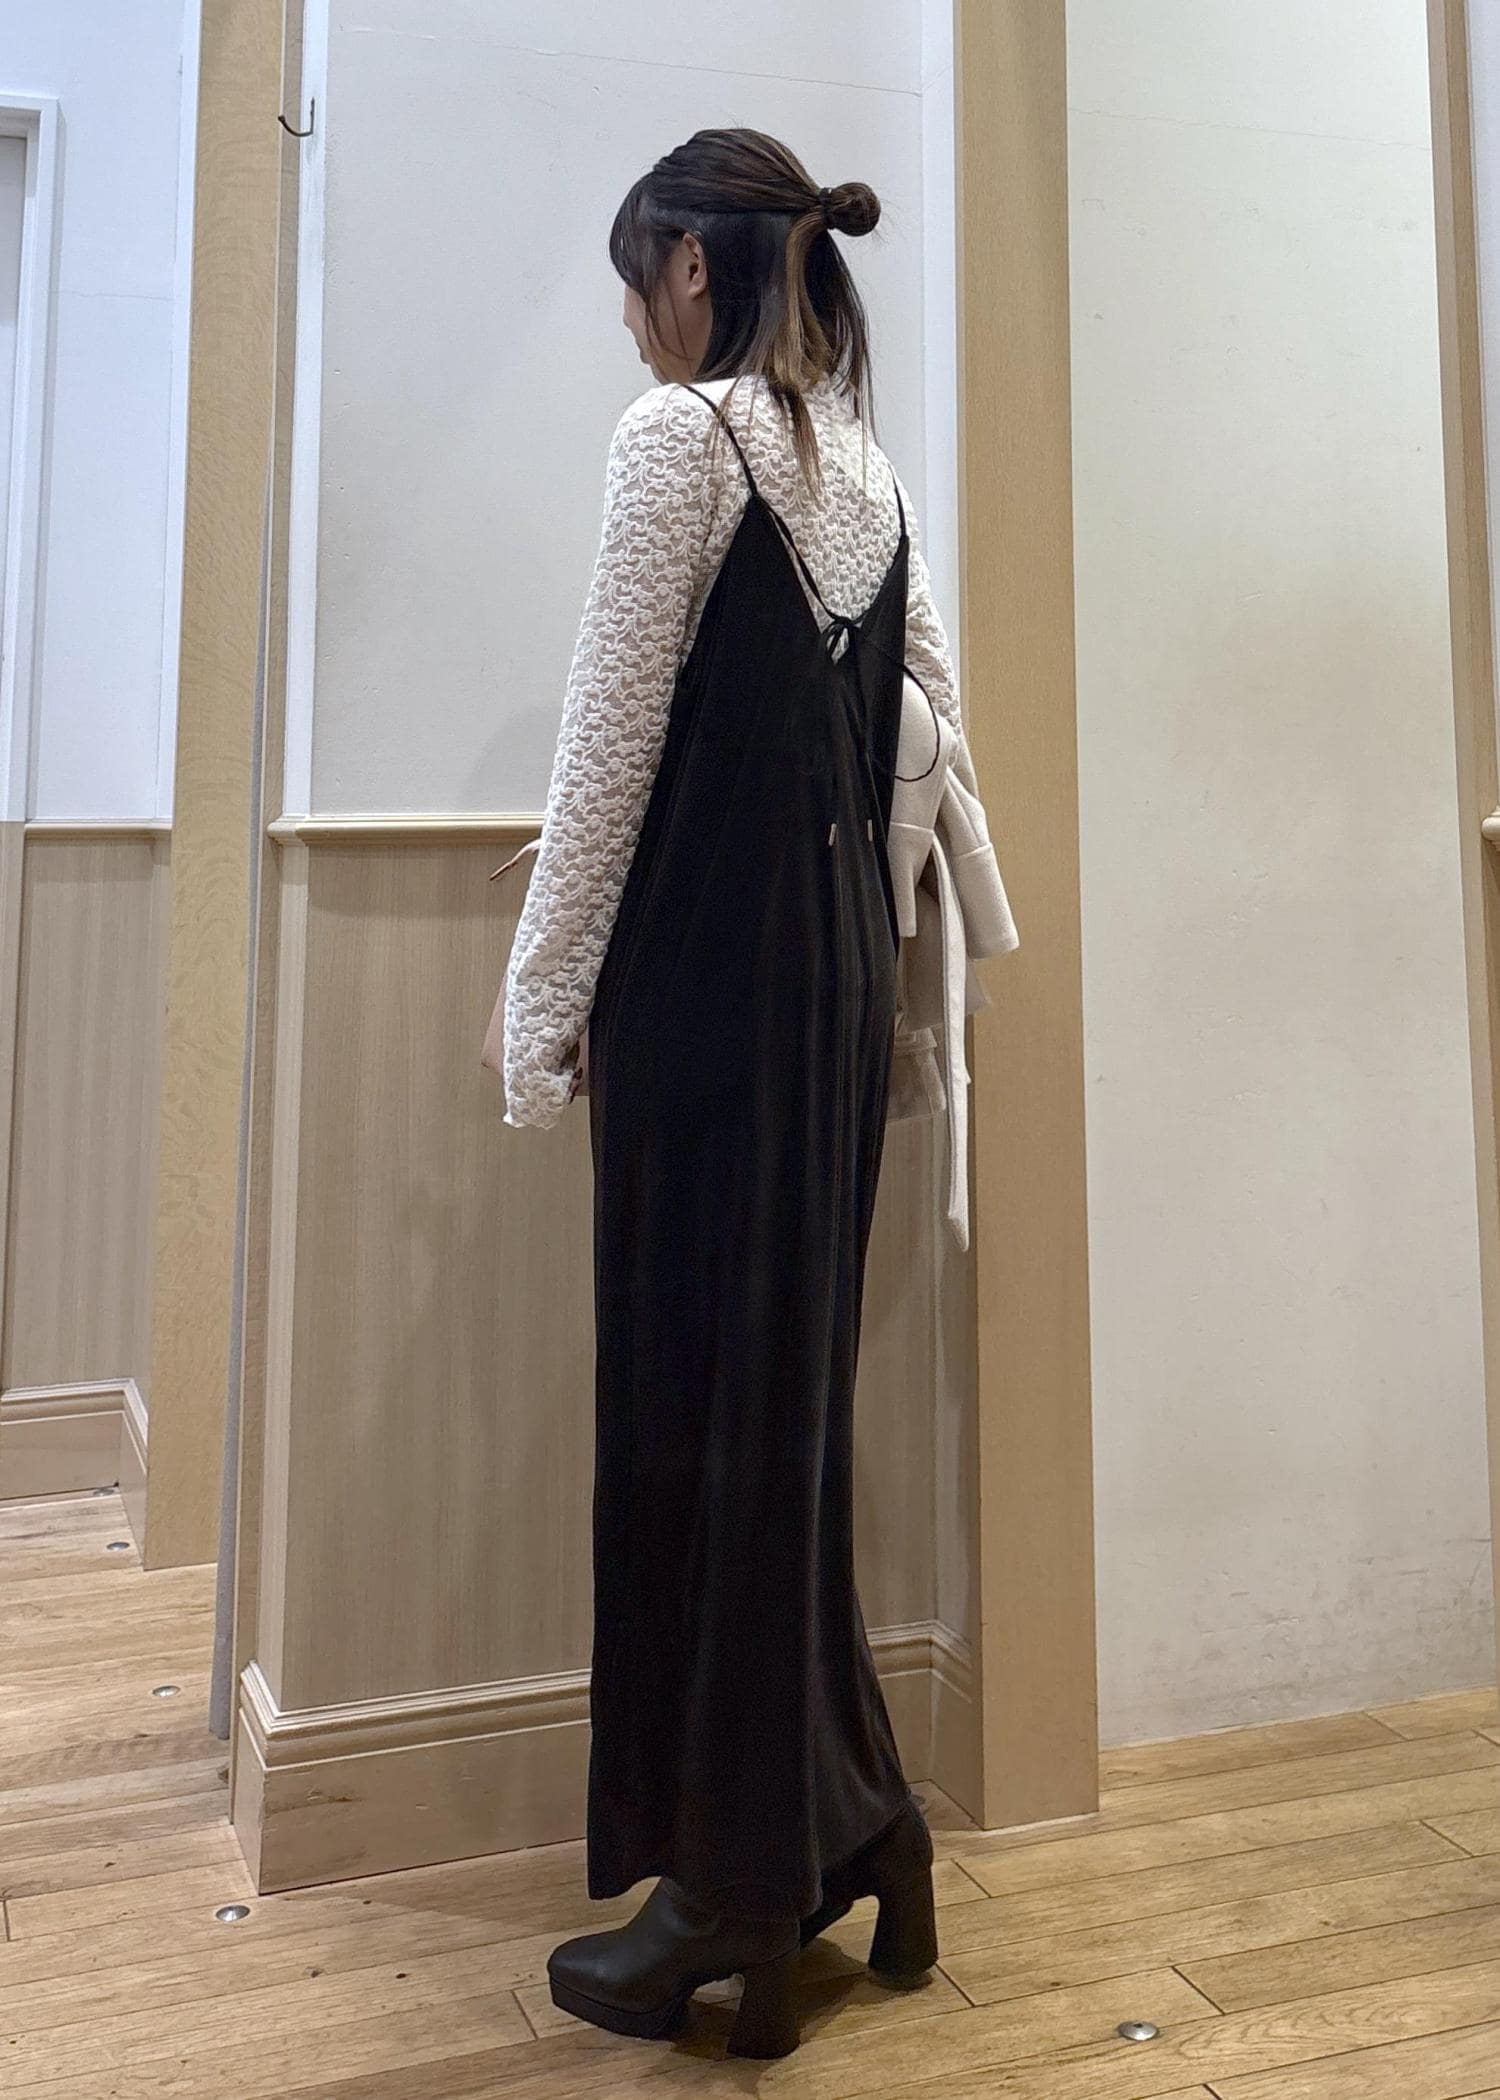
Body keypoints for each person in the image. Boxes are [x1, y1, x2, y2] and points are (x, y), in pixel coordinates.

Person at [500, 126, 975, 2061]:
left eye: (639, 281)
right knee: (782, 1434)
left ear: (695, 270)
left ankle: (729, 1891)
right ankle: (856, 1826)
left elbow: (606, 751)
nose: (632, 320)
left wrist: (539, 1012)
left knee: (694, 1425)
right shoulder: (870, 471)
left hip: (705, 995)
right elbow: (926, 733)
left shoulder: (677, 443)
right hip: (833, 991)